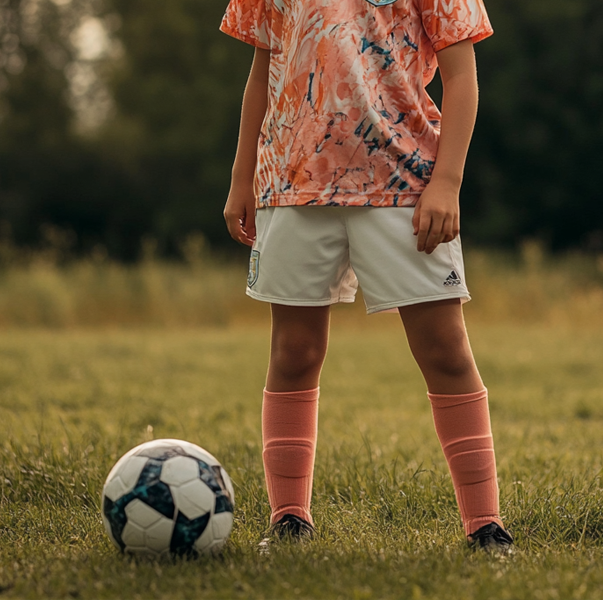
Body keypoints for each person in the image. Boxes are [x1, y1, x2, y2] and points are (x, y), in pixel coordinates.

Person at [219, 0, 513, 550]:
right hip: (293, 181)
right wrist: (242, 178)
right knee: (294, 353)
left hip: (405, 185)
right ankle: (289, 520)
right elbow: (261, 73)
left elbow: (462, 75)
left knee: (446, 352)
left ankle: (486, 526)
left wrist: (447, 182)